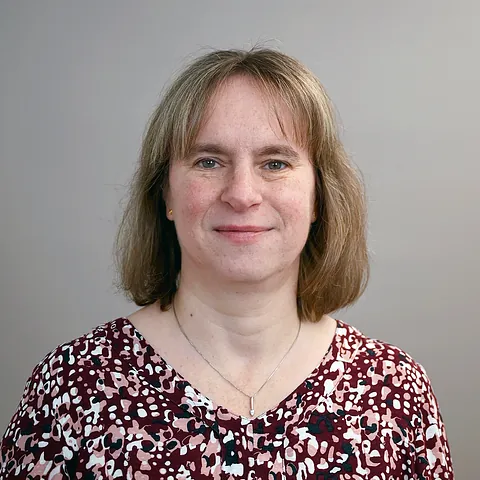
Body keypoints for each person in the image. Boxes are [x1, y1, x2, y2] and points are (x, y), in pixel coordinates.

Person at [0, 47, 454, 479]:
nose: (242, 194)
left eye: (275, 163)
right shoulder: (72, 386)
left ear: (319, 196)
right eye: (209, 161)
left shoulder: (394, 388)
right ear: (166, 192)